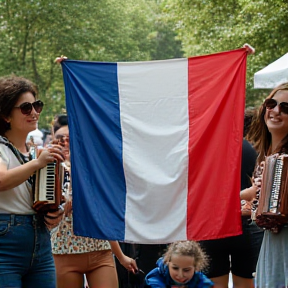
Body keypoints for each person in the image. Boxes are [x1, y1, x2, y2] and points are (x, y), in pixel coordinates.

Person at [50, 114, 138, 288]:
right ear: (53, 140)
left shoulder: (93, 168)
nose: (66, 143)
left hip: (100, 251)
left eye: (70, 138)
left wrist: (120, 256)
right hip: (63, 253)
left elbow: (104, 218)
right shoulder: (47, 168)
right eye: (60, 139)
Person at [0, 76, 65, 288]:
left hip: (41, 242)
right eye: (26, 108)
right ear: (5, 115)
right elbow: (2, 180)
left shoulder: (35, 152)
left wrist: (56, 209)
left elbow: (42, 197)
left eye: (37, 105)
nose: (35, 112)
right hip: (6, 244)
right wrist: (38, 163)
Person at [199, 108, 264, 288]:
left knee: (215, 282)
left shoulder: (209, 148)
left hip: (213, 225)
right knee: (245, 282)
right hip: (246, 225)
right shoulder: (255, 150)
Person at [241, 82, 288, 287]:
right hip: (272, 242)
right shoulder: (266, 156)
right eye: (272, 103)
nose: (276, 111)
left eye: (285, 107)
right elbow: (256, 196)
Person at [145, 240, 213, 288]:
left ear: (196, 268)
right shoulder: (154, 278)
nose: (180, 275)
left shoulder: (201, 280)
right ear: (167, 262)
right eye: (175, 268)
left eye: (186, 270)